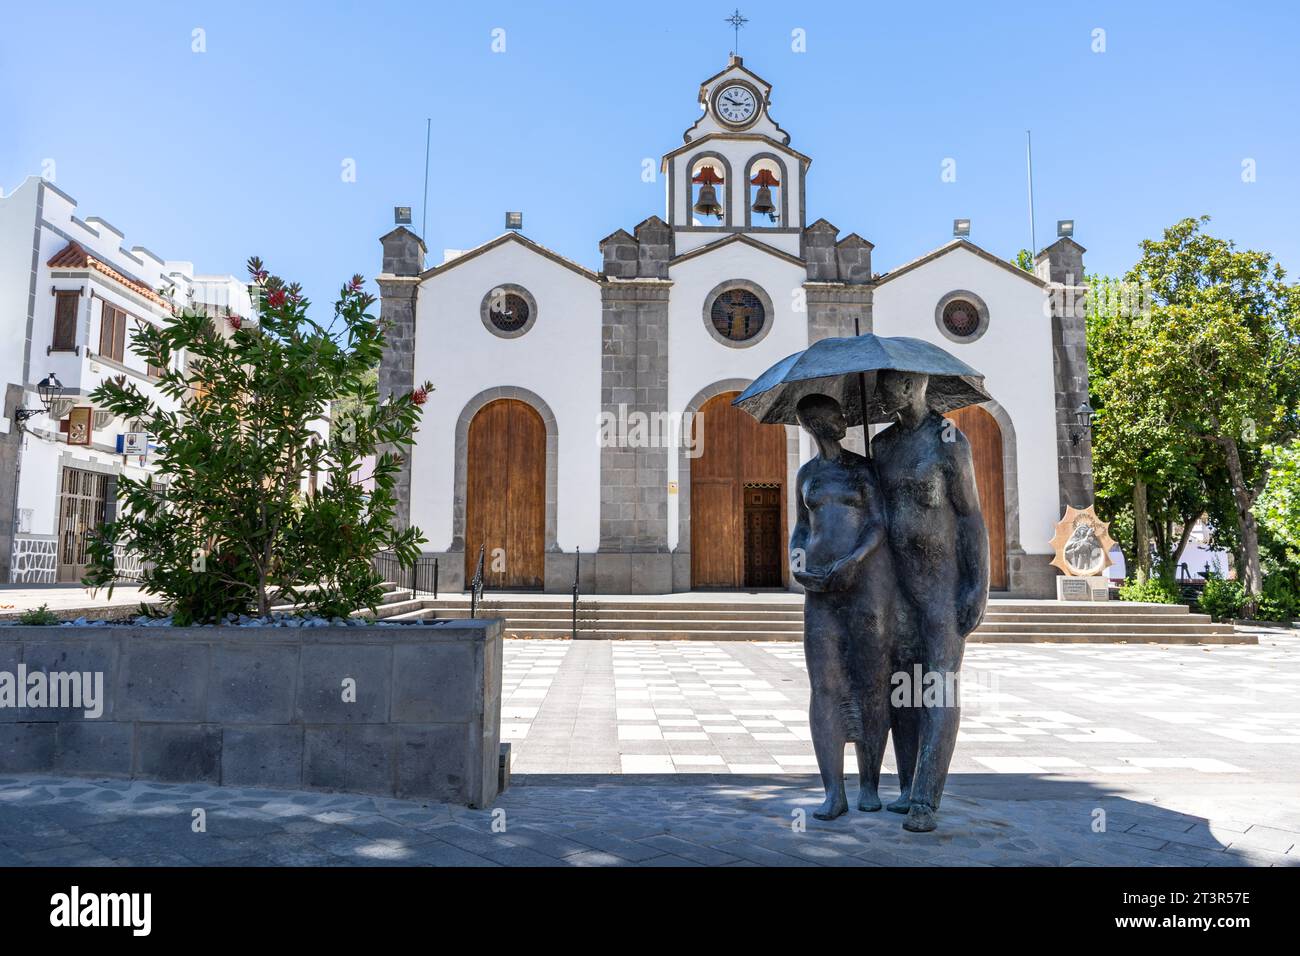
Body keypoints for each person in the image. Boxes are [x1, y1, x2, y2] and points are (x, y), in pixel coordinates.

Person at [871, 370, 989, 832]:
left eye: (893, 385)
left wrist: (978, 585)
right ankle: (905, 785)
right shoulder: (881, 446)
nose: (885, 394)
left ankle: (926, 795)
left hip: (943, 582)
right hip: (896, 583)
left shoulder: (948, 440)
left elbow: (971, 517)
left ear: (916, 385)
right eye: (881, 387)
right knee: (903, 686)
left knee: (939, 684)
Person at [790, 393, 897, 820]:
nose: (842, 421)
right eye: (833, 417)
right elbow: (801, 528)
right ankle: (834, 791)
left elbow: (878, 523)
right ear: (815, 425)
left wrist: (853, 561)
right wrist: (797, 562)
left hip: (866, 587)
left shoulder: (863, 470)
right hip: (820, 591)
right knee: (825, 687)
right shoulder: (807, 475)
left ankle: (869, 783)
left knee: (871, 685)